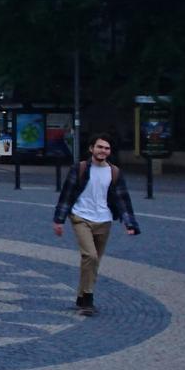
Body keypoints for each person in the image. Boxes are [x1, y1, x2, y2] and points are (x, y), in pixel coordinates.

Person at [52, 135, 141, 315]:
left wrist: (129, 223)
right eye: (100, 147)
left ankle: (81, 296)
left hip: (104, 220)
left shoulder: (114, 172)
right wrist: (59, 220)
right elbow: (66, 195)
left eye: (106, 148)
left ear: (110, 152)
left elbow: (122, 200)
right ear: (91, 149)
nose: (103, 151)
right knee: (90, 256)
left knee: (94, 261)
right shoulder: (80, 169)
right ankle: (88, 299)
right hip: (80, 217)